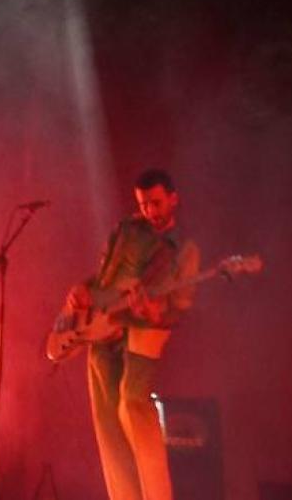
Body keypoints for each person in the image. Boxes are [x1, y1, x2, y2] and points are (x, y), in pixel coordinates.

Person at [67, 169, 200, 500]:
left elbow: (179, 308)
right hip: (104, 327)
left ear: (173, 198)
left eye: (156, 203)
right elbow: (103, 277)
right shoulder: (126, 229)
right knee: (108, 422)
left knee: (132, 405)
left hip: (145, 330)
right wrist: (83, 290)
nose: (150, 211)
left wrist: (158, 313)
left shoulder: (183, 248)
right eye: (143, 205)